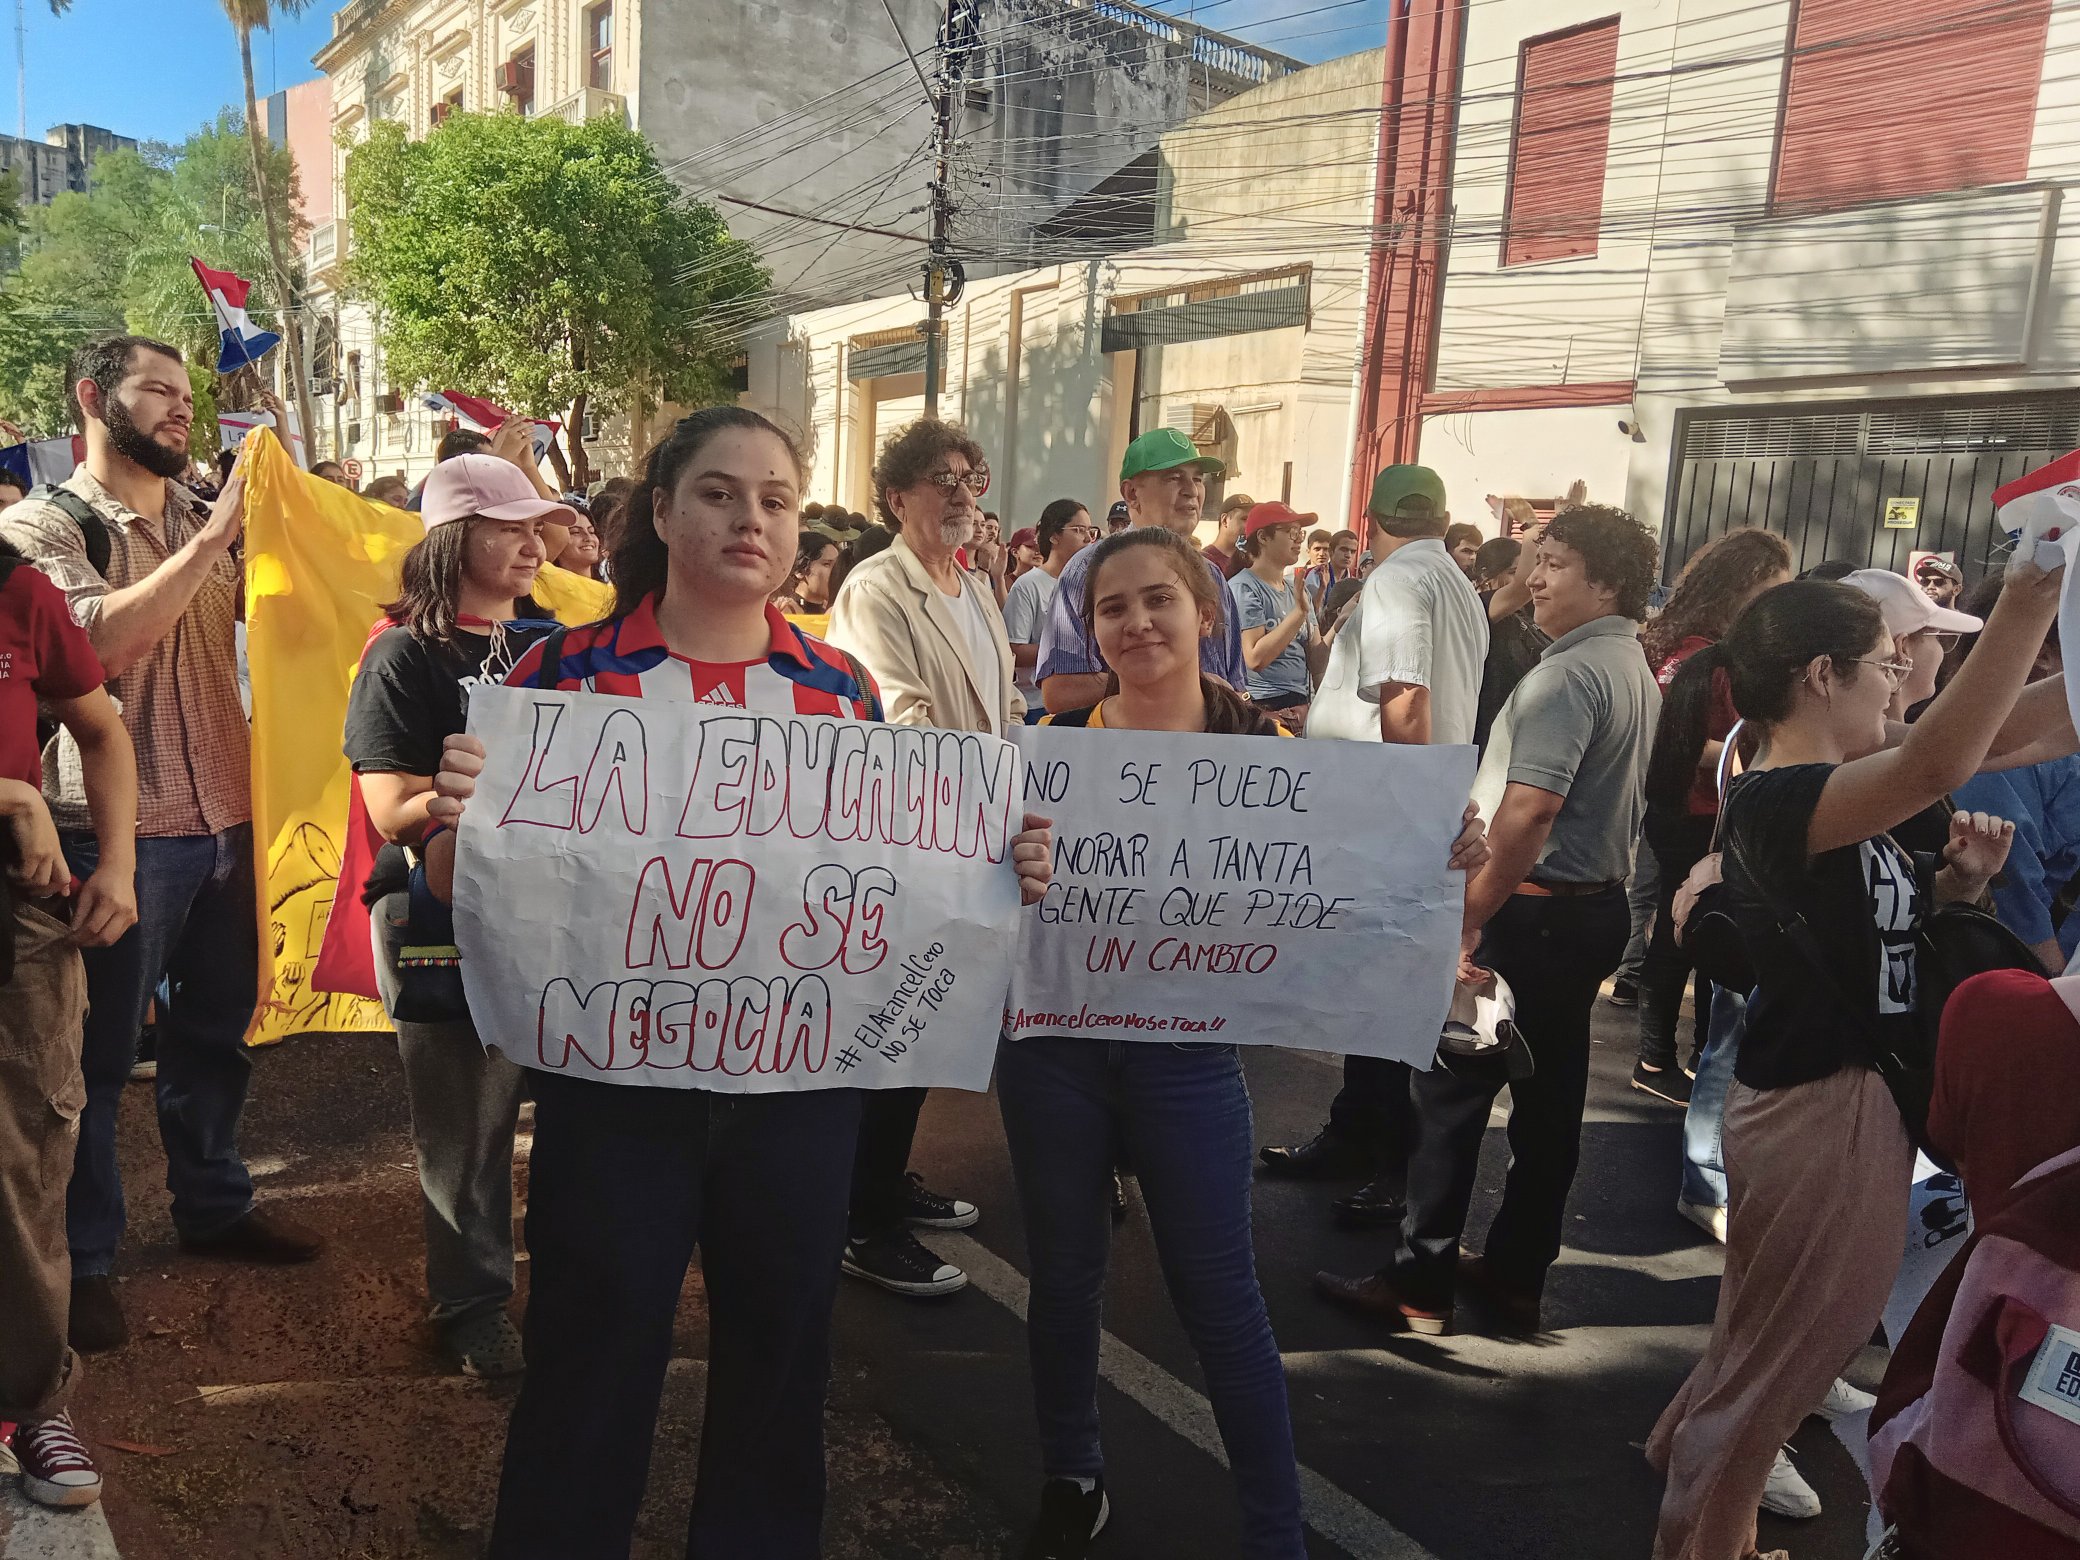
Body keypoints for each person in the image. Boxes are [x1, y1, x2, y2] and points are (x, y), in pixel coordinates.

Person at [423, 406, 1054, 1559]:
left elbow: (912, 884)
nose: (749, 518)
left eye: (774, 497)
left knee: (779, 1364)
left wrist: (1000, 864)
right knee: (589, 1361)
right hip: (613, 1095)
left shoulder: (840, 693)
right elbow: (462, 887)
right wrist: (457, 823)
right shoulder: (560, 676)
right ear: (661, 512)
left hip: (798, 1104)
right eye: (717, 492)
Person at [1010, 524, 1486, 1560]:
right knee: (1063, 1277)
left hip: (1184, 1059)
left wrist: (1441, 843)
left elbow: (1362, 879)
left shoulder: (1270, 761)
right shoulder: (1042, 757)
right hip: (1053, 1050)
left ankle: (1276, 1533)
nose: (1136, 622)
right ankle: (1070, 1472)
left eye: (1156, 600)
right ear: (1087, 629)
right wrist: (1011, 866)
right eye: (1111, 607)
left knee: (1220, 1296)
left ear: (1204, 613)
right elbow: (984, 895)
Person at [1644, 561, 2057, 1560]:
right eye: (1886, 661)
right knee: (1790, 1361)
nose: (1900, 678)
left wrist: (1953, 891)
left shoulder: (1832, 781)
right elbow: (1944, 760)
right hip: (1818, 1108)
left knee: (1767, 1343)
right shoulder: (1780, 797)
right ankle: (1700, 1541)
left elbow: (2004, 732)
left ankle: (1701, 1498)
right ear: (1822, 675)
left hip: (1837, 1100)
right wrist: (2031, 596)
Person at [0, 336, 324, 1356]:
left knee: (215, 1035)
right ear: (95, 400)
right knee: (90, 1064)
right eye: (158, 393)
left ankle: (215, 1204)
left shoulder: (210, 516)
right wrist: (209, 542)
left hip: (227, 816)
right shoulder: (43, 527)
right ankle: (86, 1258)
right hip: (113, 838)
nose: (183, 413)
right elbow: (93, 652)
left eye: (190, 396)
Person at [1316, 504, 1661, 1337]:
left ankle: (1419, 1287)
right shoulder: (1626, 665)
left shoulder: (1566, 677)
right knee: (1550, 1104)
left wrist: (1468, 920)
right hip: (1589, 910)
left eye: (1556, 565)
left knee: (1449, 1100)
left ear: (1607, 583)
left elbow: (1530, 812)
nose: (1531, 580)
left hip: (1530, 914)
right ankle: (1515, 1271)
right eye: (1537, 562)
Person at [339, 455, 573, 1378]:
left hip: (555, 910)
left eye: (536, 524)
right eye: (511, 524)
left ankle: (566, 1288)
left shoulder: (559, 644)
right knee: (468, 1124)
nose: (533, 541)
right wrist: (469, 801)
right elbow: (388, 808)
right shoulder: (401, 653)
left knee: (578, 1112)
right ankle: (472, 1305)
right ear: (453, 537)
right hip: (442, 914)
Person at [826, 417, 1022, 1299]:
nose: (960, 493)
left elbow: (1006, 701)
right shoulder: (878, 589)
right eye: (939, 479)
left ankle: (885, 1180)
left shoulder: (974, 585)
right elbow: (895, 718)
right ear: (897, 497)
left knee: (930, 1028)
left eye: (969, 478)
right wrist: (988, 789)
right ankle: (857, 1220)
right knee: (890, 1029)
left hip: (975, 833)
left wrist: (1026, 781)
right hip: (907, 839)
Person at [1264, 466, 1489, 1233]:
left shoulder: (1397, 580)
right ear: (1444, 516)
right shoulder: (1454, 579)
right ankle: (1360, 1136)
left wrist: (1408, 809)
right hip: (1408, 809)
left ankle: (1393, 1164)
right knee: (1375, 993)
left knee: (1392, 998)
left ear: (1369, 521)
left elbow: (1406, 697)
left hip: (1392, 816)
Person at [0, 538, 138, 1510]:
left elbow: (102, 730)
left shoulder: (15, 587)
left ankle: (32, 1396)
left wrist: (119, 864)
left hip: (19, 913)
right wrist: (9, 794)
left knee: (31, 1153)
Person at [1630, 530, 1794, 1105]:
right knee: (1686, 934)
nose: (1778, 598)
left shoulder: (1694, 647)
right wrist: (1757, 760)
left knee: (1689, 932)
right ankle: (1659, 1057)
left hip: (1695, 809)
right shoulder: (1703, 655)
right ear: (1741, 585)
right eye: (1771, 587)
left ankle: (1692, 1055)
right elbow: (1681, 740)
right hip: (1696, 811)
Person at [1035, 429, 1246, 713]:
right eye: (1173, 477)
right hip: (1119, 753)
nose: (1192, 490)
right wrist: (1178, 684)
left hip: (1205, 753)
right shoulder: (1086, 570)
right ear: (1131, 493)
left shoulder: (1212, 576)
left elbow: (1237, 688)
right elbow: (1060, 693)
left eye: (1197, 478)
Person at [1003, 500, 1096, 719]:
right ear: (1054, 535)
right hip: (1036, 704)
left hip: (1083, 700)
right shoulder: (1028, 585)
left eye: (1090, 531)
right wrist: (1067, 653)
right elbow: (1013, 649)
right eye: (1078, 530)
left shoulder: (1089, 585)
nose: (1087, 539)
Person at [1228, 502, 1318, 727]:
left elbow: (1317, 660)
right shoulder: (1244, 587)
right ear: (1263, 537)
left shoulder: (1296, 588)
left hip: (1301, 706)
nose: (1299, 540)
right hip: (1265, 706)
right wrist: (1299, 614)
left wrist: (1342, 624)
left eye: (1300, 533)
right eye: (1291, 532)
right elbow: (1255, 658)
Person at [771, 529, 840, 615]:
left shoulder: (835, 609)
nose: (836, 571)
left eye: (837, 564)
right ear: (800, 571)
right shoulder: (785, 610)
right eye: (827, 564)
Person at [1202, 490, 1251, 580]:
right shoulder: (1204, 562)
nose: (1250, 525)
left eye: (1252, 520)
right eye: (1244, 519)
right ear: (1225, 520)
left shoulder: (1248, 560)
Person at [557, 509, 605, 582]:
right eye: (575, 532)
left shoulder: (610, 590)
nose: (589, 538)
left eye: (591, 532)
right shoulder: (545, 589)